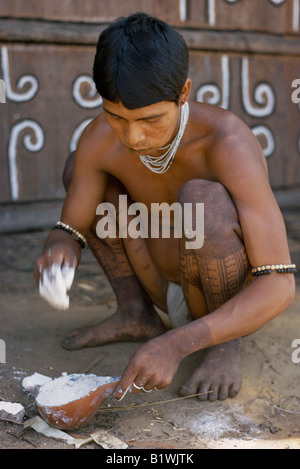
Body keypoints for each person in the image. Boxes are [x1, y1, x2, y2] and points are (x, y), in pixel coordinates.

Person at [34, 12, 296, 402]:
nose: (133, 136)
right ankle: (135, 313)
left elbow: (279, 283)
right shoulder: (101, 138)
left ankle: (224, 346)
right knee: (80, 165)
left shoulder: (227, 142)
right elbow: (70, 227)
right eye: (116, 116)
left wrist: (177, 344)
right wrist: (60, 248)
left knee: (202, 199)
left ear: (184, 92)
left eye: (150, 119)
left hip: (225, 304)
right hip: (155, 278)